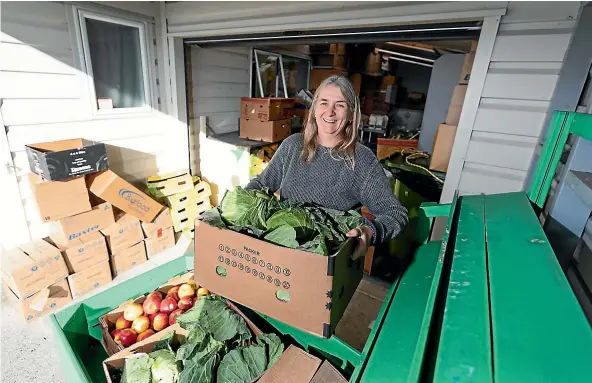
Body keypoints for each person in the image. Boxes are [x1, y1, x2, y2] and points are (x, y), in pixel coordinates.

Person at [246, 75, 409, 259]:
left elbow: (395, 213)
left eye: (339, 105)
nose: (330, 112)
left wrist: (370, 232)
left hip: (326, 261)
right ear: (314, 109)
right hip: (279, 251)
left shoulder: (361, 160)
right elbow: (261, 185)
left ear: (350, 115)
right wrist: (237, 205)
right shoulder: (292, 145)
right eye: (324, 103)